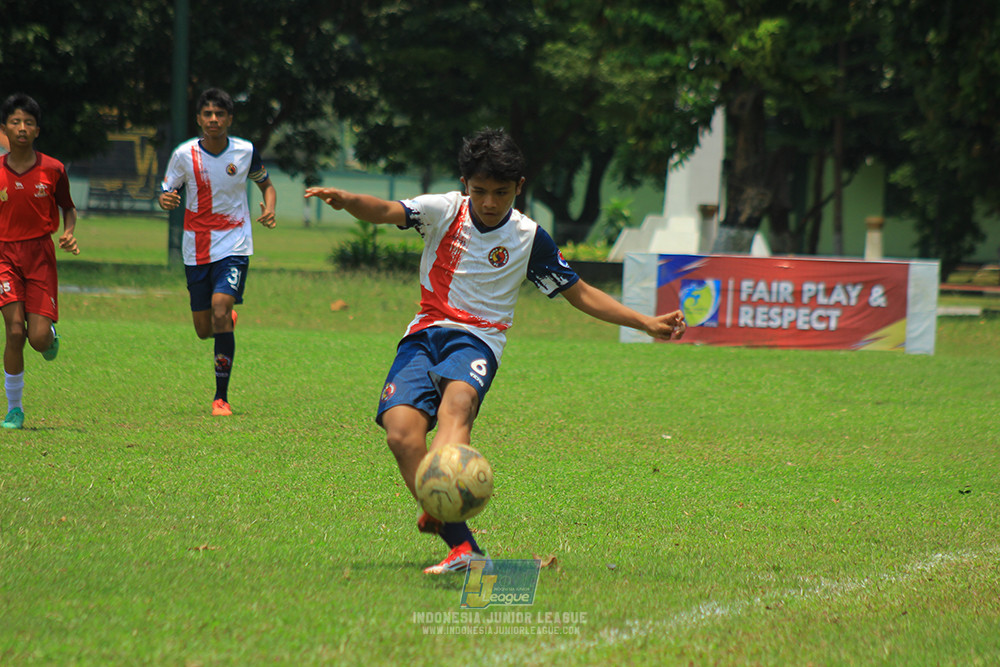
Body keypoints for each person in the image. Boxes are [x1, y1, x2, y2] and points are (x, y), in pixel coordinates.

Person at [305, 128, 686, 574]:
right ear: (465, 183)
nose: (489, 202)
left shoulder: (529, 238)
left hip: (478, 340)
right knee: (401, 435)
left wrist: (645, 322)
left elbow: (579, 293)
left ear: (519, 187)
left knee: (458, 405)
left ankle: (450, 513)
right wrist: (349, 201)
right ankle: (456, 534)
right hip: (424, 333)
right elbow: (388, 210)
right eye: (480, 190)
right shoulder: (443, 211)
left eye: (501, 192)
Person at [158, 88, 277, 416]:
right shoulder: (184, 155)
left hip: (235, 243)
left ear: (229, 119)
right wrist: (165, 199)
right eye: (207, 114)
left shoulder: (245, 151)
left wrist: (269, 208)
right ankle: (225, 317)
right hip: (196, 246)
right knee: (203, 329)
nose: (213, 119)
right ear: (199, 119)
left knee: (220, 308)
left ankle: (220, 398)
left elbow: (266, 184)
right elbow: (167, 190)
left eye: (219, 114)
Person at [0, 93, 80, 430]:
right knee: (15, 331)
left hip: (40, 256)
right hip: (3, 256)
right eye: (15, 122)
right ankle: (14, 410)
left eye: (28, 123)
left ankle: (50, 336)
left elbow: (68, 207)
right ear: (4, 128)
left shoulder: (53, 169)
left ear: (37, 130)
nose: (22, 128)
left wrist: (70, 232)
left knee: (38, 338)